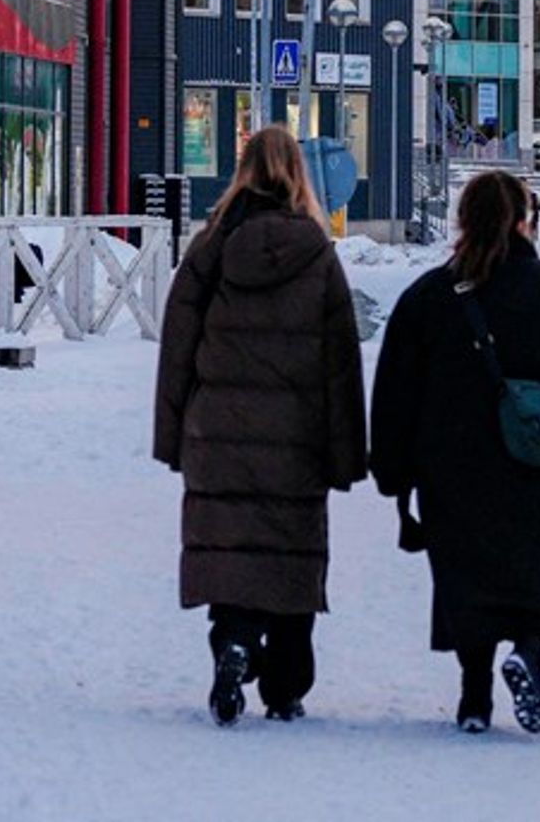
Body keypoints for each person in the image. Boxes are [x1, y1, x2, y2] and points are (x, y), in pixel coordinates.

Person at [369, 171, 540, 735]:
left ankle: (474, 697)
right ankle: (530, 652)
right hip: (539, 461)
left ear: (465, 221)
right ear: (523, 221)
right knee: (539, 569)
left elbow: (394, 389)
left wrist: (392, 469)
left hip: (452, 468)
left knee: (469, 580)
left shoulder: (429, 297)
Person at [152, 125, 368, 726]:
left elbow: (177, 348)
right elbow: (339, 361)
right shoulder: (316, 254)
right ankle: (286, 685)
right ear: (298, 174)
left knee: (232, 554)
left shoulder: (210, 249)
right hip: (296, 441)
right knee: (291, 562)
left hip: (218, 435)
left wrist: (173, 437)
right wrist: (348, 452)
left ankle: (234, 643)